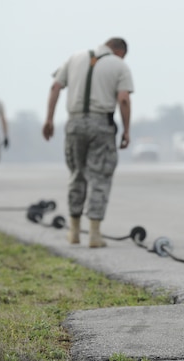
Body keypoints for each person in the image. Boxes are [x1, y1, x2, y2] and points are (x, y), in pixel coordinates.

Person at [43, 37, 133, 248]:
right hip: (101, 124)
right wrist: (126, 131)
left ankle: (74, 231)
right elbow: (123, 99)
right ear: (120, 51)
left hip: (74, 123)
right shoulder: (119, 65)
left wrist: (49, 119)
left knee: (77, 174)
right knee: (99, 176)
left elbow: (55, 87)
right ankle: (94, 233)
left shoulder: (75, 57)